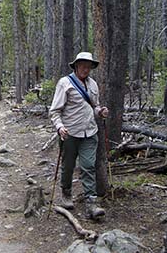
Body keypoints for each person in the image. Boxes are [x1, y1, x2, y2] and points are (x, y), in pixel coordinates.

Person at [48, 52, 109, 220]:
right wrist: (60, 127)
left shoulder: (93, 85)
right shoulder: (65, 83)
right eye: (82, 65)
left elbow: (93, 107)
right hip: (69, 133)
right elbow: (54, 111)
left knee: (88, 166)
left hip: (90, 132)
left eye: (88, 66)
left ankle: (91, 203)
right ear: (76, 66)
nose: (85, 68)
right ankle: (66, 193)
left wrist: (100, 112)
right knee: (67, 166)